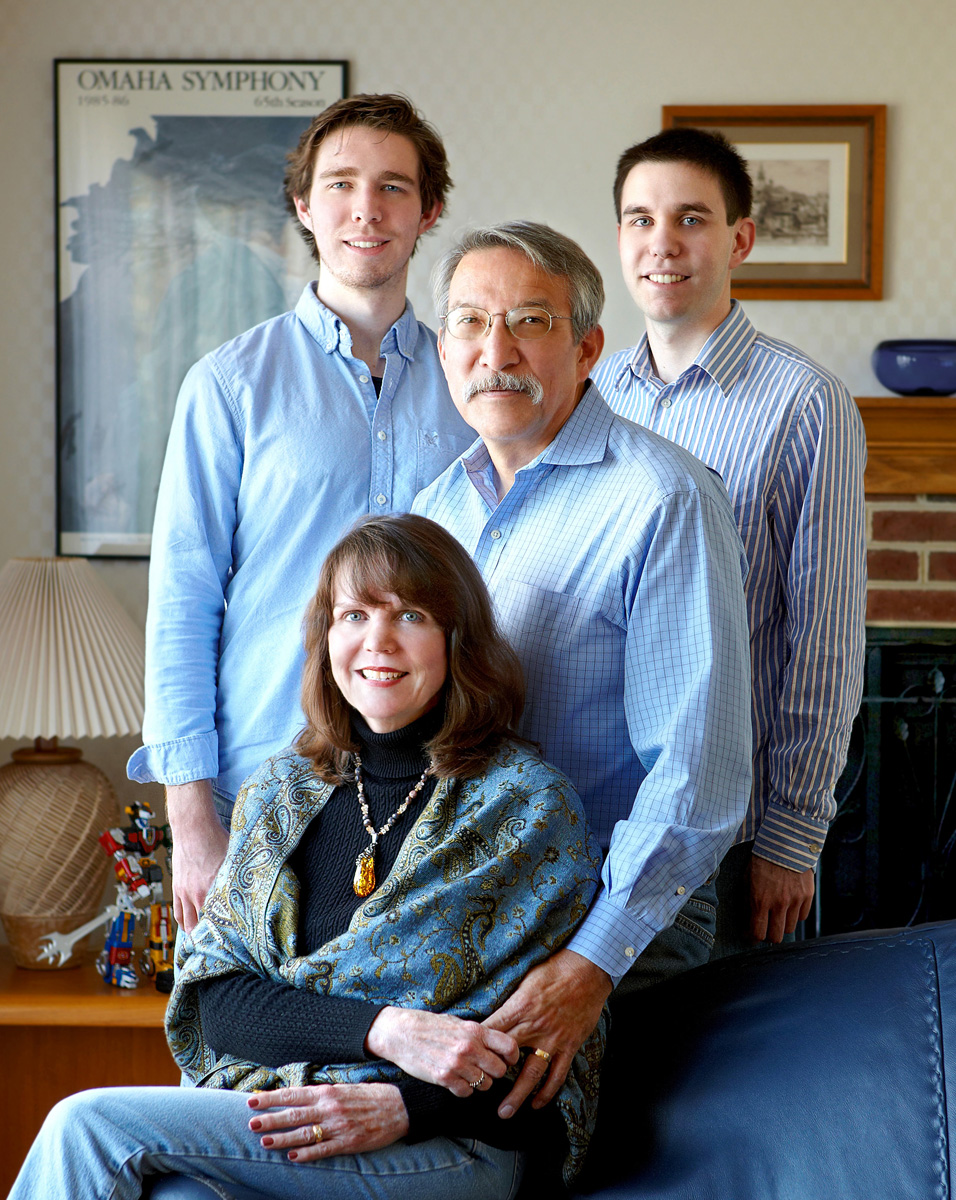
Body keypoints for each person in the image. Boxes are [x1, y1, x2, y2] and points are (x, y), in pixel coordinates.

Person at [11, 514, 603, 1200]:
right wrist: (383, 1030)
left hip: (454, 1146)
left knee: (86, 1127)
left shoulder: (526, 807)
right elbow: (212, 1001)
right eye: (353, 614)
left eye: (409, 614)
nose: (376, 641)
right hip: (284, 1111)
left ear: (455, 639)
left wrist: (405, 1108)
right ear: (326, 638)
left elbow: (547, 1052)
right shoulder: (282, 792)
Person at [413, 220, 752, 1116]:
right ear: (444, 348)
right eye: (470, 324)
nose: (497, 351)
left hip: (607, 926)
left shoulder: (663, 498)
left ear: (589, 346)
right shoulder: (435, 510)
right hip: (471, 912)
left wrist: (590, 961)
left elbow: (698, 777)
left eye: (530, 321)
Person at [127, 95, 474, 933]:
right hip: (263, 782)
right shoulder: (228, 385)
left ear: (429, 211)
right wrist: (191, 820)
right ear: (303, 205)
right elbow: (183, 599)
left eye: (394, 186)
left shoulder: (472, 383)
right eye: (342, 183)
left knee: (401, 1044)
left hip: (439, 786)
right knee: (258, 1043)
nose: (367, 208)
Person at [591, 127, 867, 956]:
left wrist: (791, 838)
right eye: (640, 219)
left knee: (708, 1068)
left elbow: (821, 639)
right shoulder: (588, 391)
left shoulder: (806, 402)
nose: (662, 244)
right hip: (594, 812)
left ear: (740, 238)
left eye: (691, 219)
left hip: (725, 835)